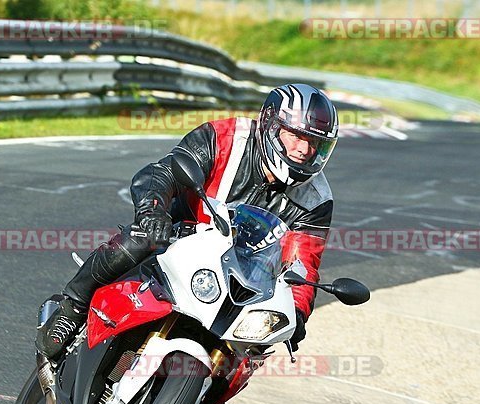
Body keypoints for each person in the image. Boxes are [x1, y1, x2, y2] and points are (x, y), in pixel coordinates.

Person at [36, 83, 339, 362]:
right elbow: (162, 173)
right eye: (297, 136)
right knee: (142, 237)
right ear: (272, 126)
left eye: (314, 144)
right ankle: (72, 305)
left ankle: (200, 393)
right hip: (179, 235)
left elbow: (304, 263)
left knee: (257, 342)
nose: (304, 150)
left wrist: (298, 312)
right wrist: (153, 212)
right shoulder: (226, 139)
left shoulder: (316, 199)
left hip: (244, 273)